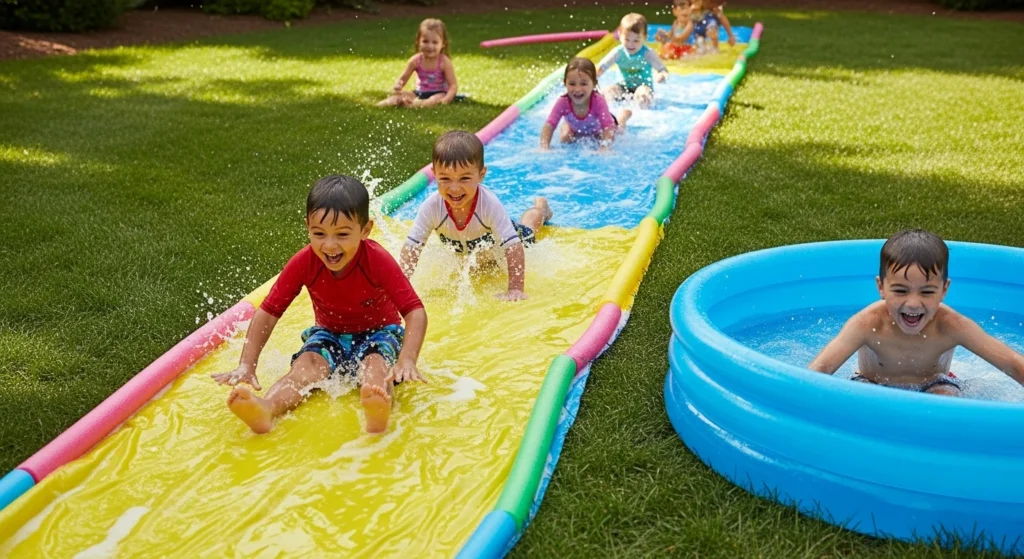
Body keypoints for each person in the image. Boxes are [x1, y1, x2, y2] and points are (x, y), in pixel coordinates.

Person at [213, 175, 428, 434]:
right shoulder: (304, 262)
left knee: (375, 367)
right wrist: (247, 364)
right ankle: (267, 409)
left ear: (365, 229)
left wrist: (407, 359)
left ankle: (376, 410)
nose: (329, 245)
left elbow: (414, 310)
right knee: (306, 367)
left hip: (379, 333)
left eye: (342, 234)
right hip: (330, 335)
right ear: (307, 226)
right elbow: (269, 312)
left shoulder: (377, 260)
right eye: (319, 233)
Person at [808, 229, 1024, 396]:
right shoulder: (866, 323)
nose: (913, 303)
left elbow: (1012, 363)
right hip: (871, 383)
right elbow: (820, 369)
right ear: (881, 287)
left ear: (944, 290)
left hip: (934, 383)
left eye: (927, 291)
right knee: (857, 400)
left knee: (946, 400)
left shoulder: (952, 325)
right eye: (900, 290)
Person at [400, 130, 551, 302]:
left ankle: (541, 207)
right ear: (434, 174)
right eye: (445, 179)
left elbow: (513, 247)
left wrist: (515, 289)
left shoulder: (489, 204)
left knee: (529, 229)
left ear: (481, 174)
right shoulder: (431, 208)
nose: (454, 188)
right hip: (480, 253)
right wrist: (399, 291)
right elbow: (412, 249)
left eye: (464, 178)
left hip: (509, 239)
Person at [540, 57, 631, 152]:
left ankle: (622, 116)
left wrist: (605, 147)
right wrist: (544, 146)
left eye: (583, 84)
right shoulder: (563, 102)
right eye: (572, 84)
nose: (577, 89)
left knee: (616, 133)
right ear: (565, 83)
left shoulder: (598, 101)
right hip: (575, 128)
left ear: (594, 84)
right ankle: (568, 123)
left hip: (598, 129)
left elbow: (608, 127)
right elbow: (549, 124)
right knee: (565, 138)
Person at [377, 18, 460, 108]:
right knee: (400, 96)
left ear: (443, 44)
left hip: (439, 93)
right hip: (420, 93)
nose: (430, 46)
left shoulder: (444, 62)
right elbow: (402, 79)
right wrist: (398, 86)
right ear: (418, 41)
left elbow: (453, 85)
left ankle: (415, 105)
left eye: (435, 42)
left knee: (433, 100)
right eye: (425, 41)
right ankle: (379, 105)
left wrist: (446, 99)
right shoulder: (416, 60)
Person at [597, 13, 668, 109]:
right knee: (607, 93)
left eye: (636, 41)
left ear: (645, 38)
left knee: (643, 96)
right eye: (627, 39)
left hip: (643, 87)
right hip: (622, 87)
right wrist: (592, 79)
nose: (631, 44)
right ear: (619, 35)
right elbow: (601, 68)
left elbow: (662, 69)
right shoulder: (618, 52)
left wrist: (661, 75)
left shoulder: (648, 54)